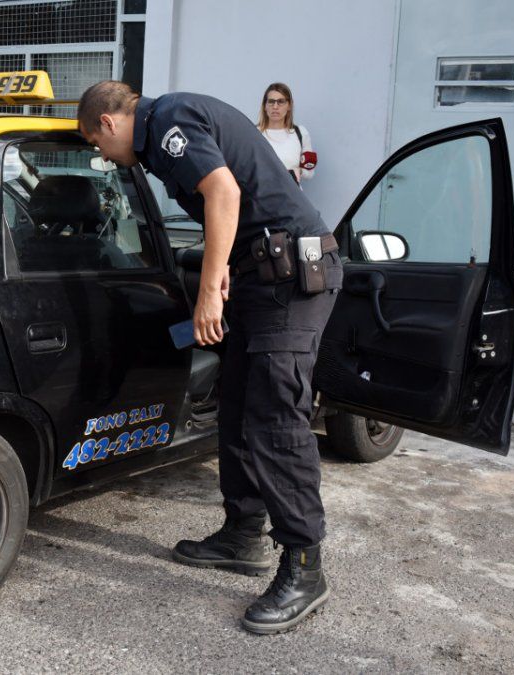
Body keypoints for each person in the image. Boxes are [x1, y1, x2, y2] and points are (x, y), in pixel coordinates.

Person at [77, 81, 343, 635]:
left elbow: (223, 193)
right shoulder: (160, 133)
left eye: (95, 144)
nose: (101, 156)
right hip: (261, 277)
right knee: (239, 409)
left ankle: (304, 567)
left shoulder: (170, 121)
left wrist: (206, 292)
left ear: (107, 122)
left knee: (276, 419)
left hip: (291, 277)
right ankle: (243, 534)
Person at [257, 83, 315, 186]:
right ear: (265, 106)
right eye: (271, 102)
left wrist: (299, 171)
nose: (275, 107)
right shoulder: (253, 132)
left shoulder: (300, 133)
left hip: (292, 197)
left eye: (281, 102)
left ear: (289, 105)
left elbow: (310, 172)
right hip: (261, 197)